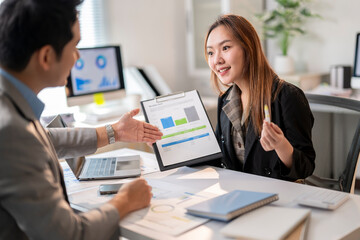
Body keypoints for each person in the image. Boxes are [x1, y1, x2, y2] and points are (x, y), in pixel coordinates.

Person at [0, 0, 162, 239]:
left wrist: (115, 131)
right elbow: (68, 235)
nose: (77, 58)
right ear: (46, 56)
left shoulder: (10, 105)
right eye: (75, 47)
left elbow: (47, 139)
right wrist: (124, 201)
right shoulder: (10, 130)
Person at [204, 14, 315, 181]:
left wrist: (281, 146)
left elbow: (305, 167)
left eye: (225, 48)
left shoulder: (288, 96)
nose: (217, 60)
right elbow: (219, 158)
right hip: (239, 194)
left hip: (278, 197)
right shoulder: (226, 100)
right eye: (211, 52)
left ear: (248, 48)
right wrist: (170, 142)